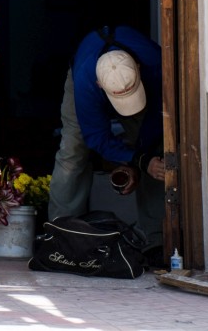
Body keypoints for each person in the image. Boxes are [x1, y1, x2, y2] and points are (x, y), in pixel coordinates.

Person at [48, 25, 165, 251]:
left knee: (158, 156)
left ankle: (157, 241)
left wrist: (143, 159)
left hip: (145, 82)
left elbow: (158, 118)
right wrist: (137, 159)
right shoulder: (85, 81)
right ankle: (61, 237)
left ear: (138, 68)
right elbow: (96, 136)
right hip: (86, 77)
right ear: (100, 85)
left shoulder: (156, 63)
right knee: (72, 151)